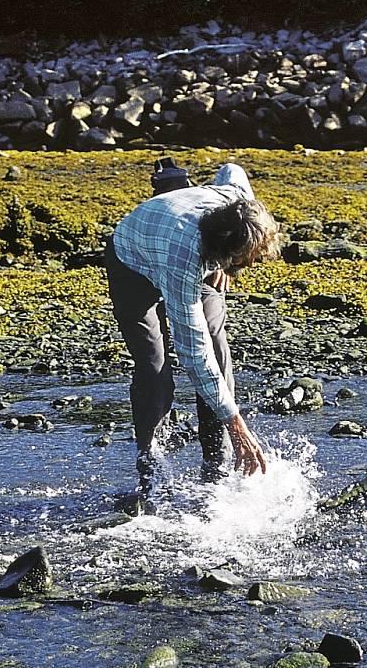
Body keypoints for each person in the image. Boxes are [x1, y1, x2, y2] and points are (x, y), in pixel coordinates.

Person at [104, 162, 281, 504]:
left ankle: (217, 469)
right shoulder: (184, 259)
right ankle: (152, 471)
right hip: (133, 260)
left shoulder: (234, 197)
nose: (254, 265)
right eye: (249, 259)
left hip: (193, 244)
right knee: (155, 367)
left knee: (218, 349)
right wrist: (238, 424)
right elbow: (192, 352)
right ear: (225, 250)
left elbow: (232, 169)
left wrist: (227, 267)